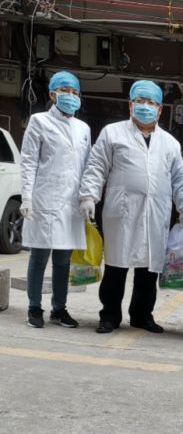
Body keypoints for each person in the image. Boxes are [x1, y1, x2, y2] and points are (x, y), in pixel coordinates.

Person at [79, 80, 183, 334]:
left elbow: (179, 178)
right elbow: (97, 166)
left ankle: (142, 315)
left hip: (156, 212)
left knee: (148, 269)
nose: (145, 106)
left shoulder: (170, 143)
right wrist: (88, 195)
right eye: (140, 101)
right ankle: (109, 315)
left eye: (151, 102)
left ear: (160, 110)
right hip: (122, 210)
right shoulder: (112, 133)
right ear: (130, 105)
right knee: (116, 267)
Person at [20, 71, 91, 328]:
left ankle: (59, 309)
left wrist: (88, 197)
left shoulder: (83, 128)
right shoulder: (38, 121)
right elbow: (28, 161)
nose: (70, 96)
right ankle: (34, 307)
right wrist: (26, 197)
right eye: (64, 91)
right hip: (44, 200)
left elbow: (88, 166)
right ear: (52, 94)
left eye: (75, 92)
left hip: (71, 204)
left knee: (63, 261)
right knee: (39, 258)